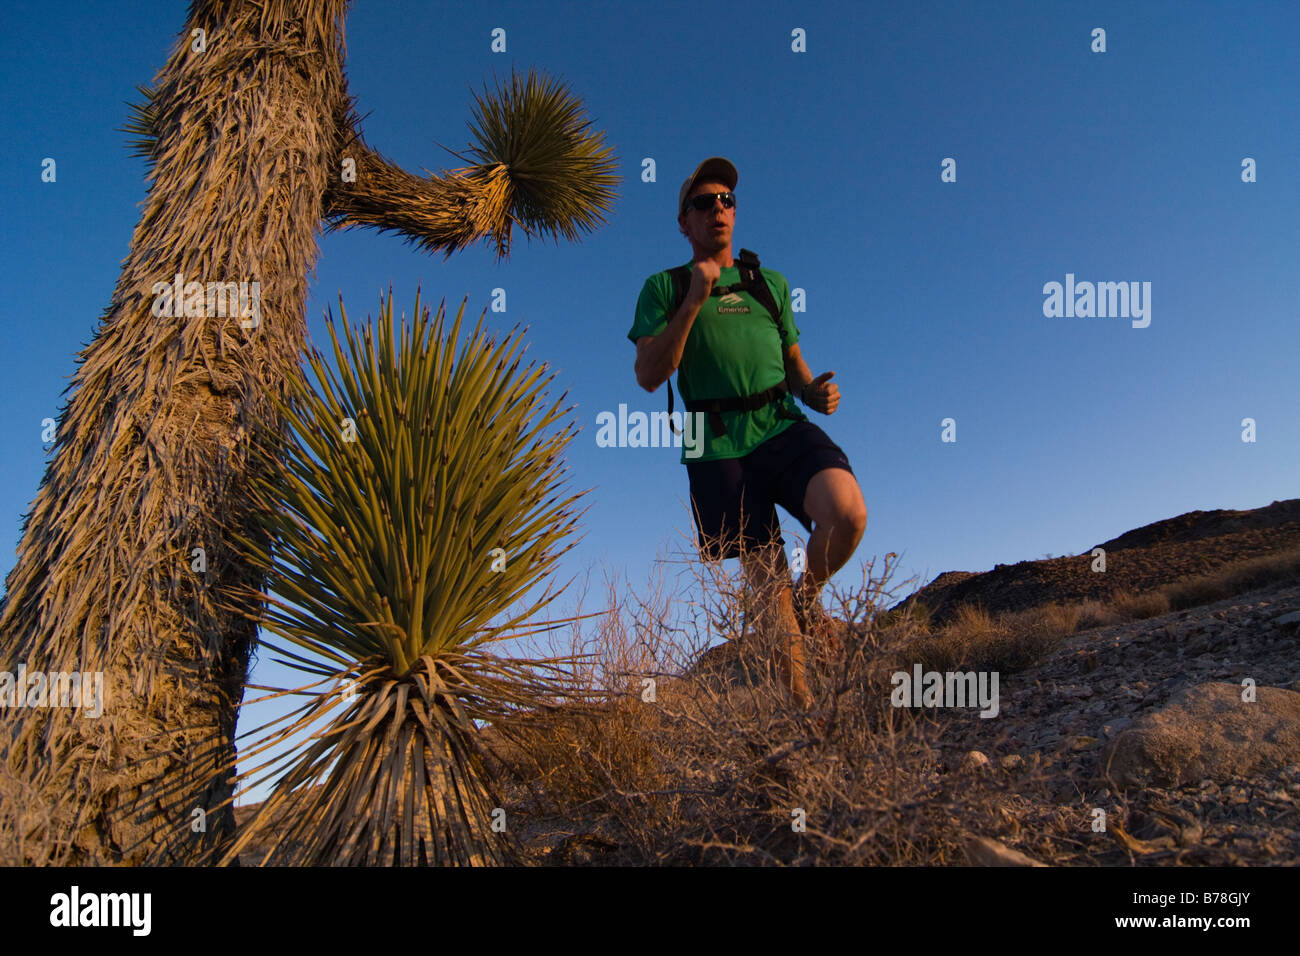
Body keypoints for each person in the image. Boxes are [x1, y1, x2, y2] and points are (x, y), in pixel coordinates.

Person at [628, 156, 867, 708]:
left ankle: (812, 599)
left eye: (727, 200)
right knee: (766, 580)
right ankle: (803, 710)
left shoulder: (768, 283)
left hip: (779, 423)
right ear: (683, 222)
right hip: (710, 440)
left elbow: (793, 366)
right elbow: (648, 376)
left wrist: (813, 393)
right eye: (704, 202)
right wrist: (693, 299)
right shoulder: (662, 287)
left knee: (847, 512)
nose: (718, 208)